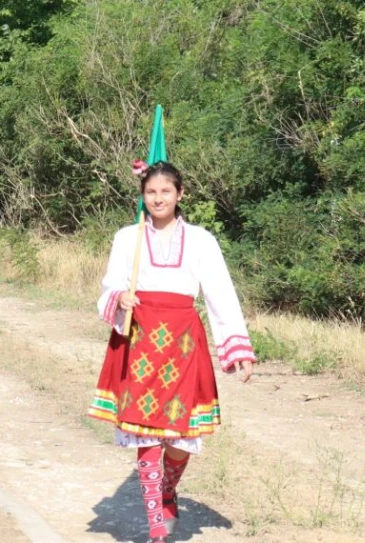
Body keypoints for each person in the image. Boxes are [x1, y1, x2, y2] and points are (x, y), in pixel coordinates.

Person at [87, 161, 256, 543]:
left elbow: (220, 294)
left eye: (166, 191)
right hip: (140, 339)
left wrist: (236, 346)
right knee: (145, 433)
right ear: (142, 196)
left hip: (182, 343)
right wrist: (119, 297)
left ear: (180, 194)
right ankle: (156, 528)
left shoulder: (201, 240)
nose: (158, 198)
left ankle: (167, 489)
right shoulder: (126, 238)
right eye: (151, 192)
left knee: (180, 437)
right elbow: (109, 285)